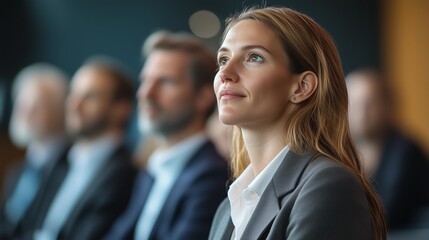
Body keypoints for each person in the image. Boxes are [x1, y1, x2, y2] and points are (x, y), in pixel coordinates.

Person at [209, 7, 387, 240]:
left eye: (254, 57)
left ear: (302, 87)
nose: (225, 73)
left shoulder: (328, 186)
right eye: (223, 59)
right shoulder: (227, 209)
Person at [104, 31, 228, 240]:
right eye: (145, 80)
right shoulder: (153, 168)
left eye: (165, 82)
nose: (145, 93)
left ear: (204, 97)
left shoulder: (212, 177)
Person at [17, 57, 137, 240]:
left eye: (89, 96)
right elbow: (27, 225)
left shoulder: (127, 175)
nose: (75, 105)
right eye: (74, 93)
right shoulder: (58, 160)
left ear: (121, 109)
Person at [347, 69, 429, 231]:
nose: (361, 113)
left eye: (370, 103)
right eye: (354, 104)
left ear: (388, 105)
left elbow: (388, 213)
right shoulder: (343, 150)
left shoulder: (407, 152)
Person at [0, 64, 70, 239]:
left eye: (36, 105)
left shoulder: (71, 171)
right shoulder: (17, 170)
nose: (24, 112)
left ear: (60, 111)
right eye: (21, 102)